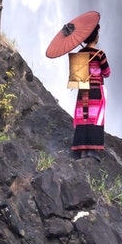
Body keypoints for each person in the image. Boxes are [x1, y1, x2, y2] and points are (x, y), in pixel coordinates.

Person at [44, 10, 108, 154]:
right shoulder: (100, 54)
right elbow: (107, 72)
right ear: (96, 37)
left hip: (83, 92)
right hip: (96, 91)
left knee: (83, 117)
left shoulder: (79, 54)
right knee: (95, 118)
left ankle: (82, 150)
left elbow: (77, 77)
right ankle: (93, 151)